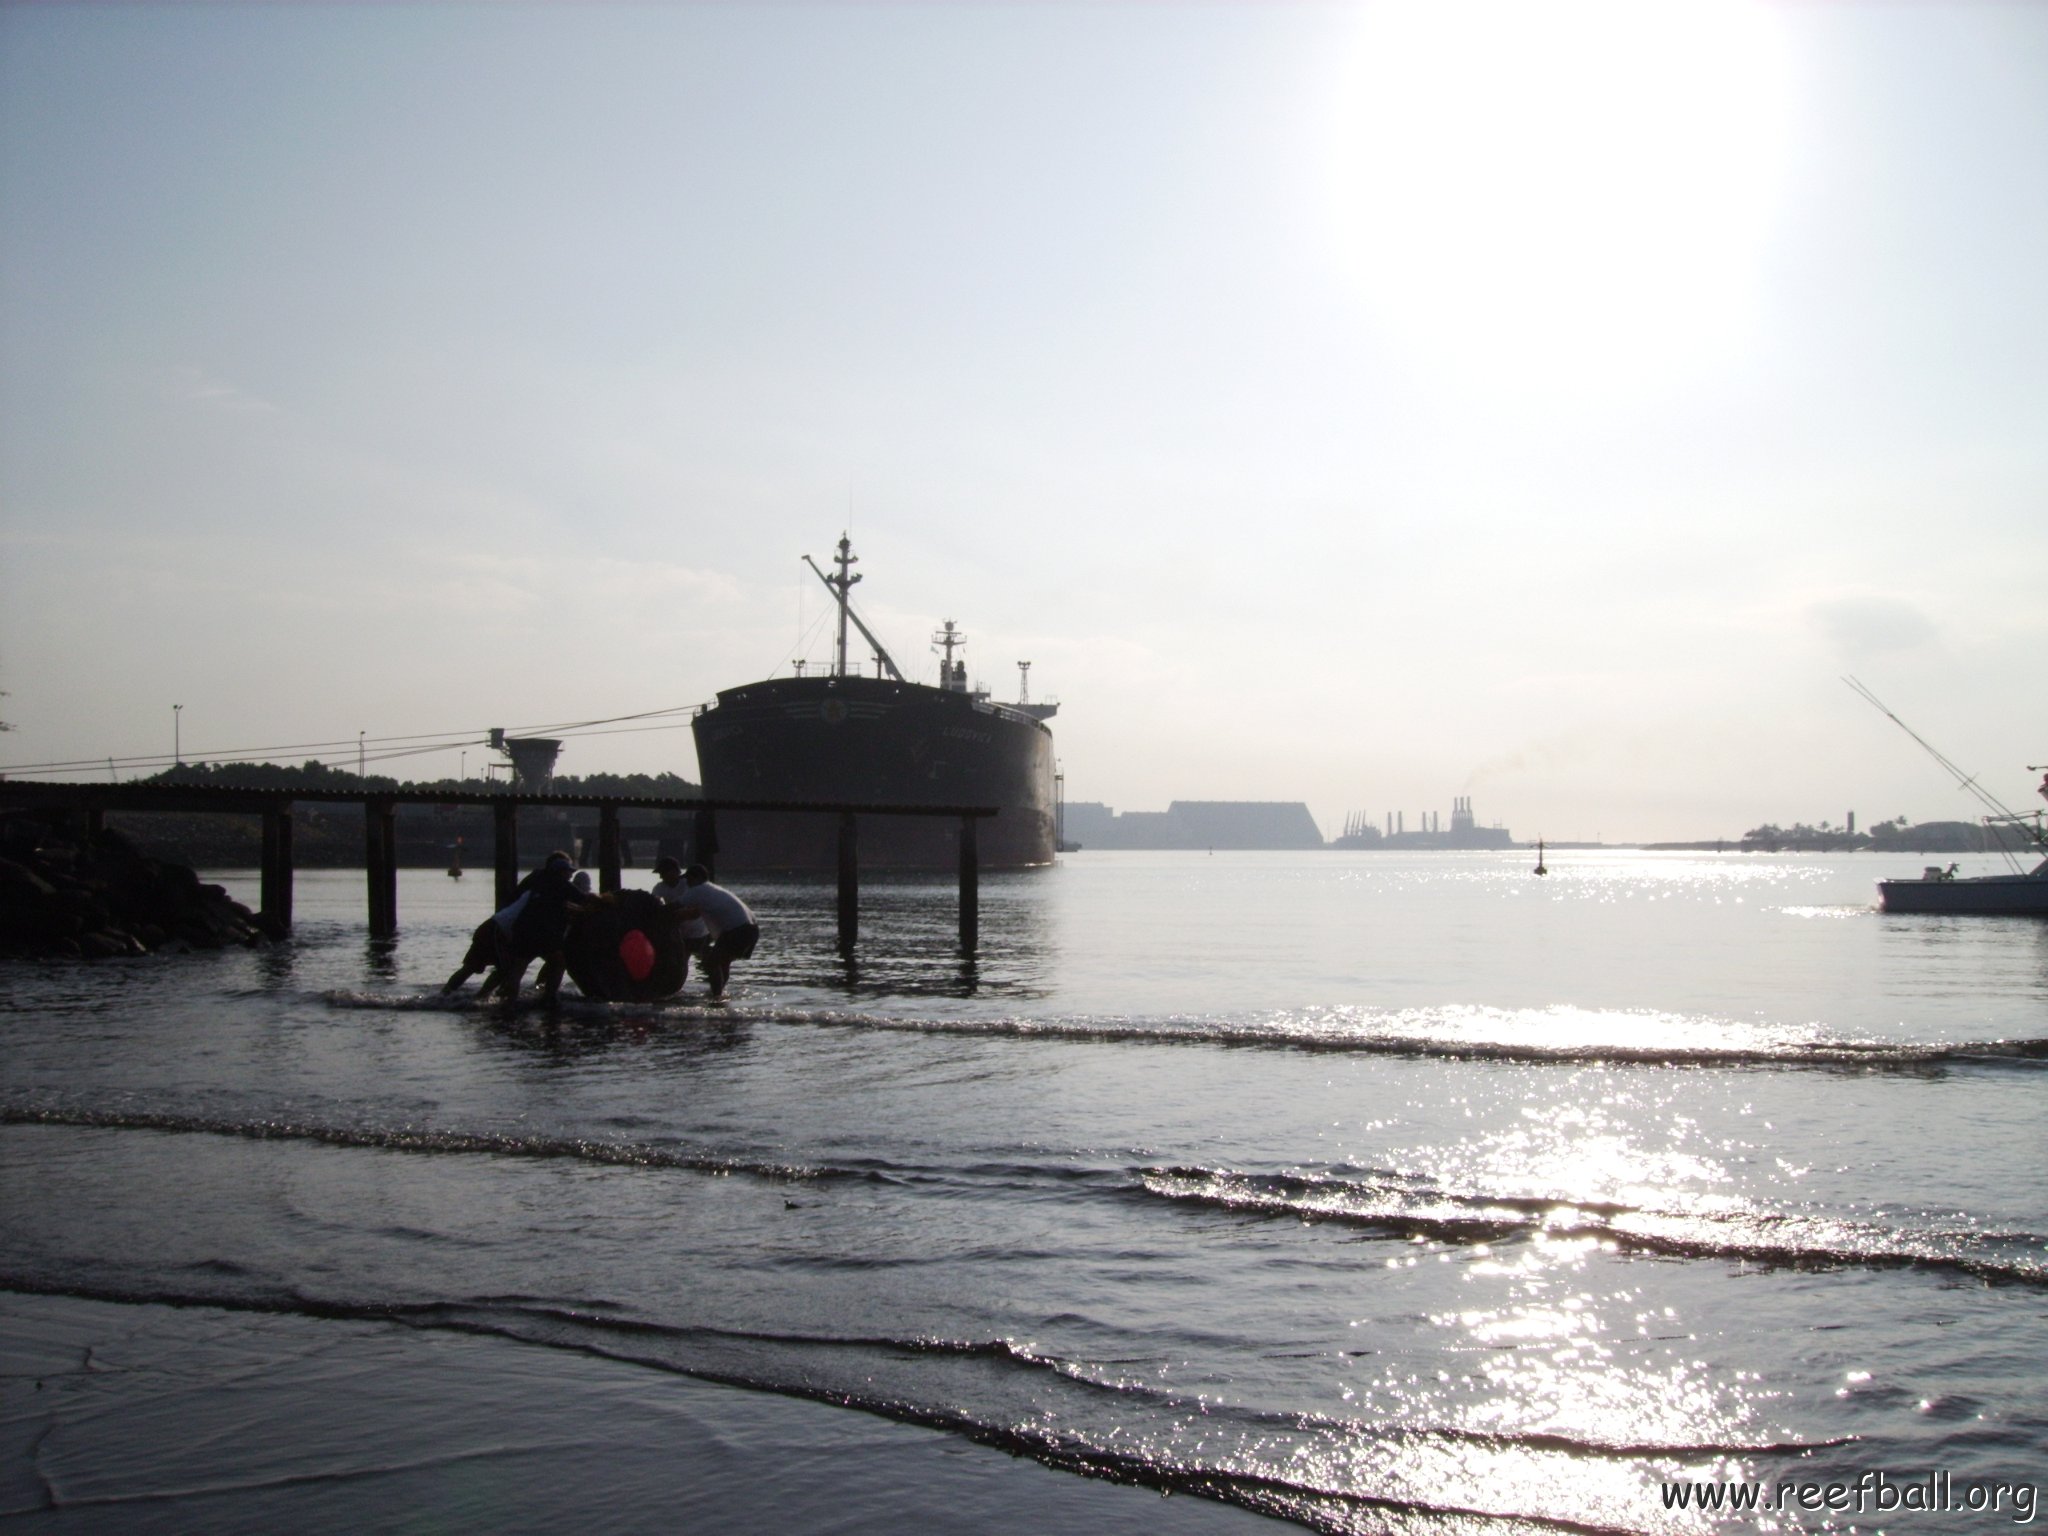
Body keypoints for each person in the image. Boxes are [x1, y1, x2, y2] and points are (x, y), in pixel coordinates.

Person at [442, 851, 588, 1002]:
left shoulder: (537, 884)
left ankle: (451, 996)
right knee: (505, 968)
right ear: (558, 871)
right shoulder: (550, 888)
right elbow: (575, 901)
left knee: (477, 968)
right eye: (567, 871)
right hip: (498, 931)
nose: (569, 877)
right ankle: (486, 999)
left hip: (495, 927)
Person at [680, 863, 757, 999]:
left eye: (689, 879)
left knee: (710, 962)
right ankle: (719, 994)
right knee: (723, 962)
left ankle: (716, 998)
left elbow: (673, 907)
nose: (687, 882)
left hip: (738, 930)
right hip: (751, 929)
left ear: (697, 878)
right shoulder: (712, 889)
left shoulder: (698, 890)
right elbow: (696, 913)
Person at [648, 855, 711, 985]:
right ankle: (677, 986)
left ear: (675, 872)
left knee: (708, 962)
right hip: (679, 931)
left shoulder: (688, 884)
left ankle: (714, 989)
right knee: (681, 960)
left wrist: (670, 915)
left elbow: (695, 911)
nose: (661, 877)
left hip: (699, 931)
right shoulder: (659, 887)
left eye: (664, 873)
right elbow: (653, 907)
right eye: (660, 874)